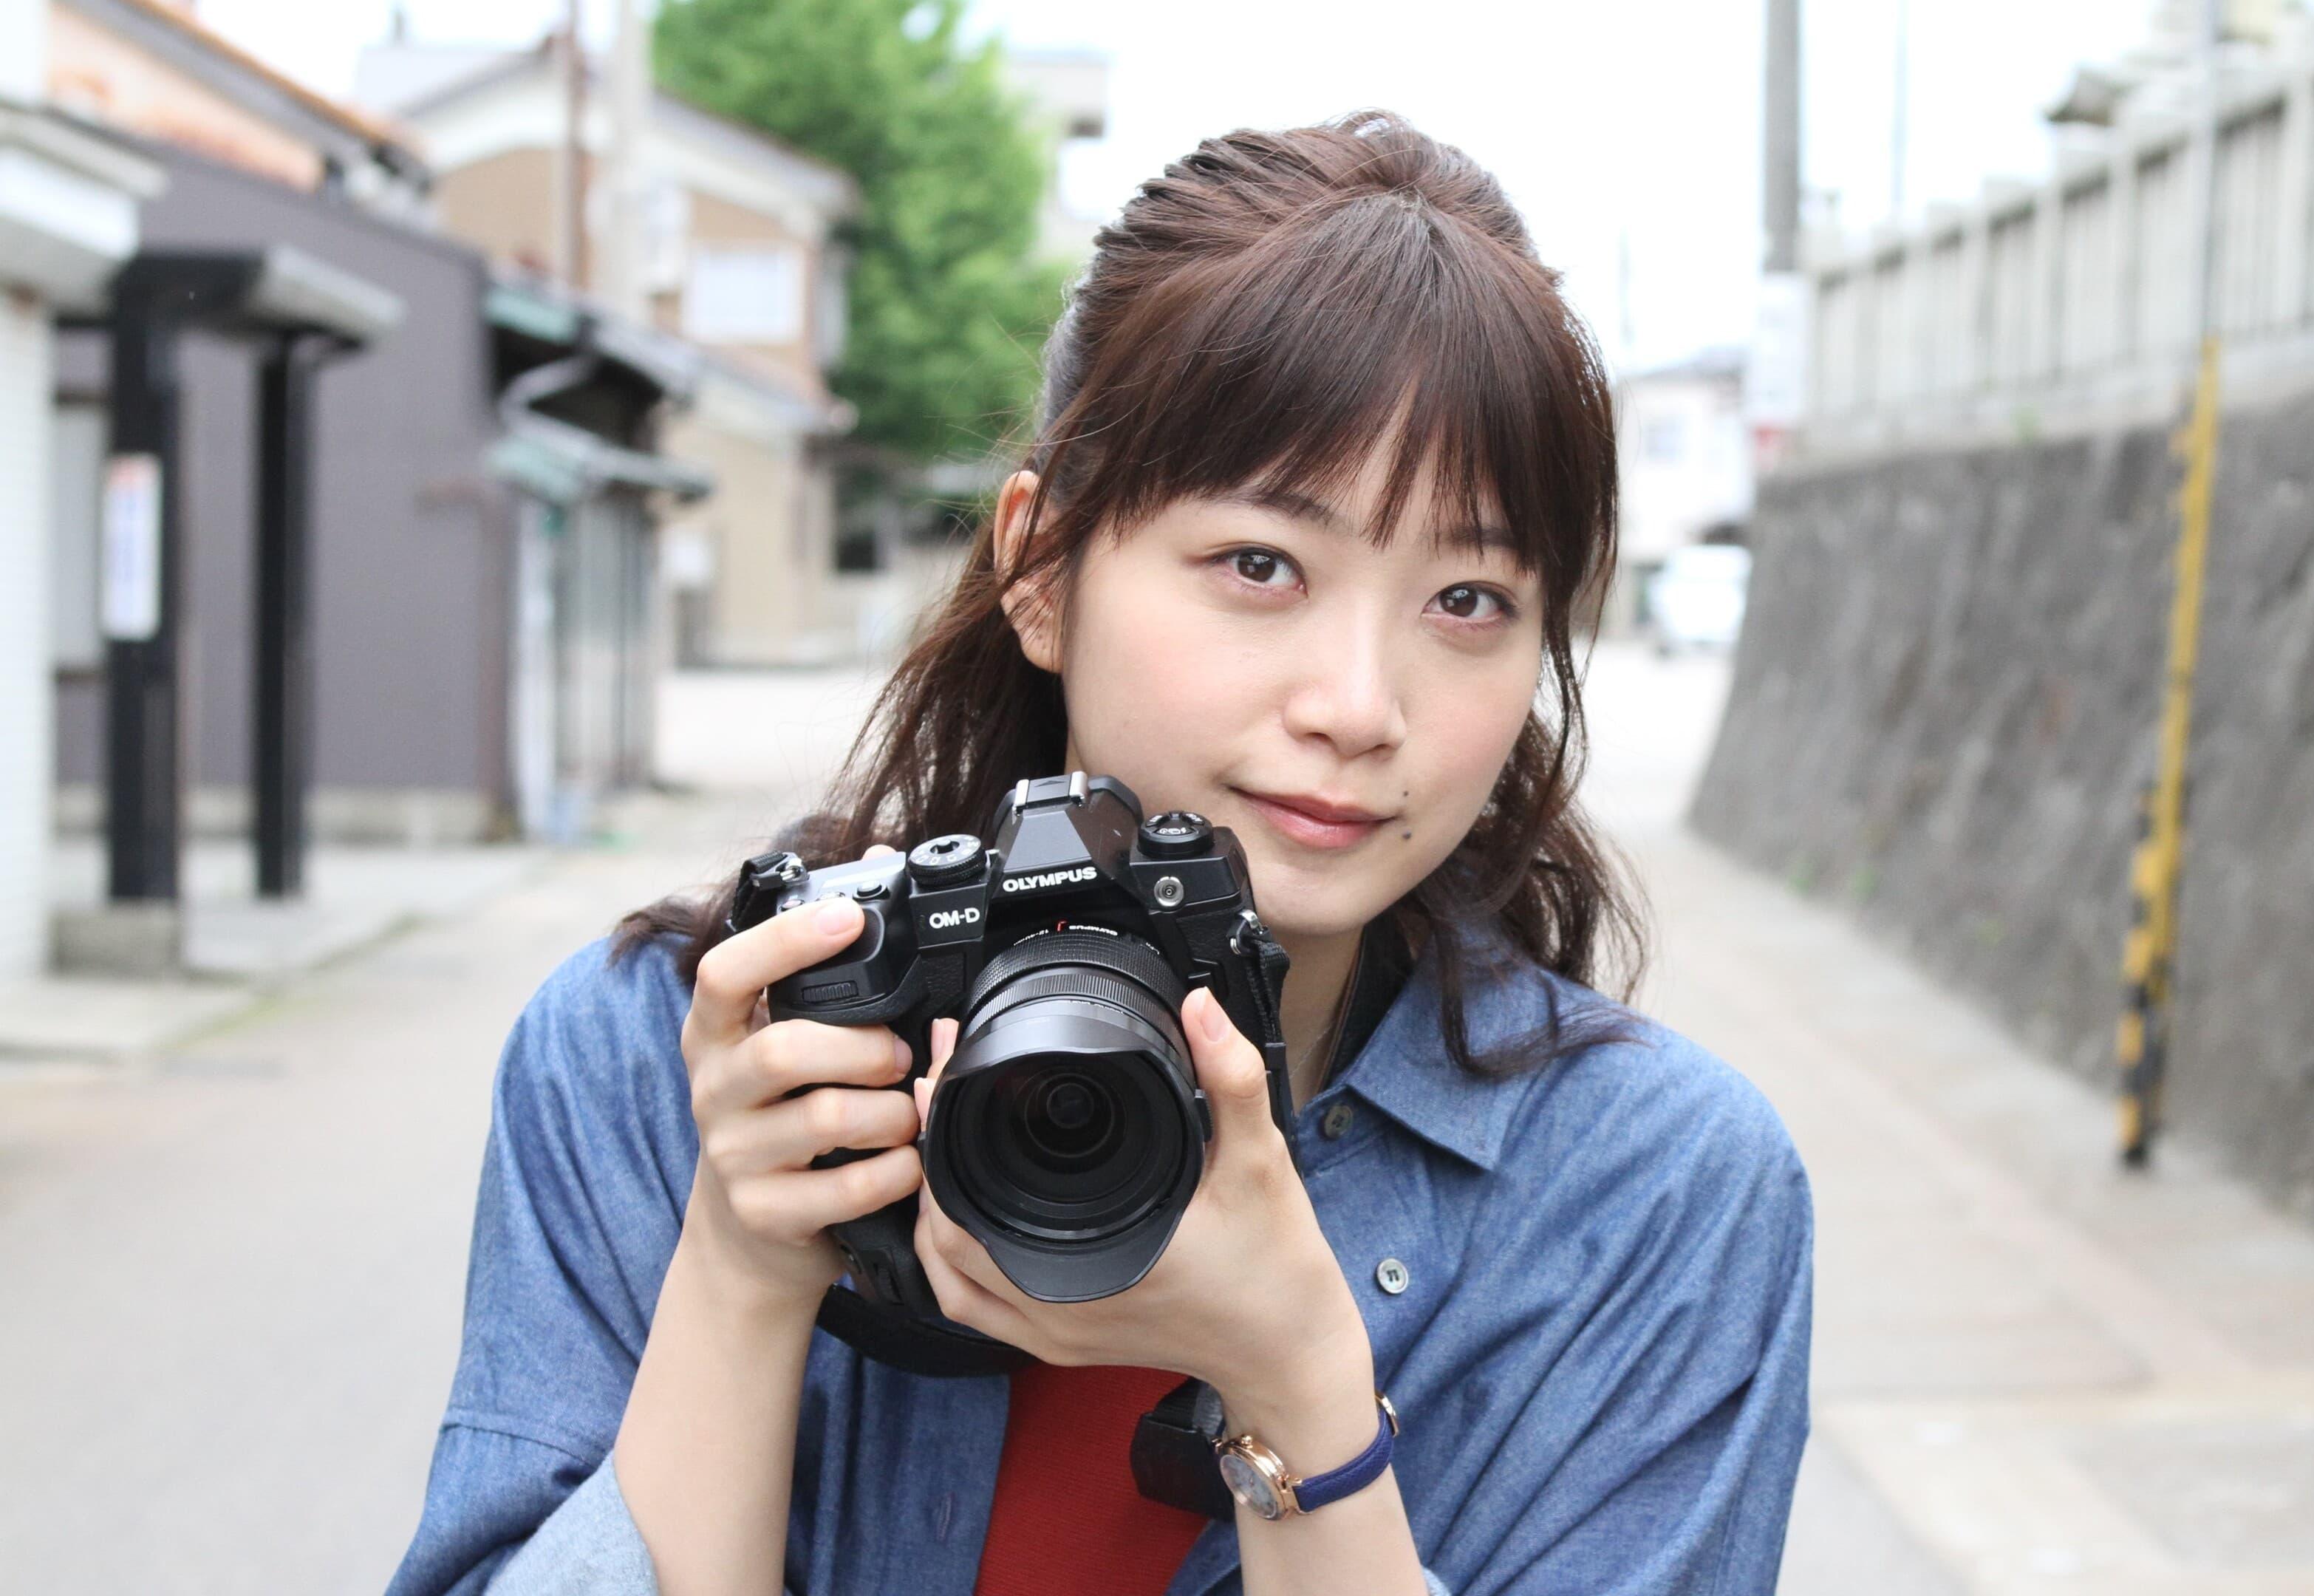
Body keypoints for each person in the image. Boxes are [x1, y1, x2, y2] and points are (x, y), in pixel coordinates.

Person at [389, 112, 1812, 1596]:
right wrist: (742, 1280)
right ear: (1043, 568)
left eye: (1467, 600)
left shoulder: (1656, 1198)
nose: (1359, 707)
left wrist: (1302, 1393)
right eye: (1261, 565)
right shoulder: (669, 1061)